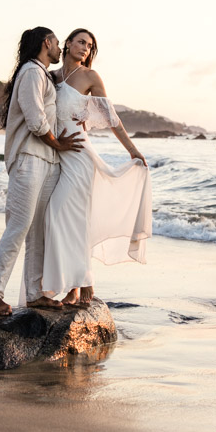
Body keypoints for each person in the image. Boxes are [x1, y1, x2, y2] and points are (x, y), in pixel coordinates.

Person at [40, 28, 152, 307]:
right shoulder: (51, 76)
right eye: (80, 42)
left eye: (89, 46)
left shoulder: (90, 77)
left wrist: (132, 150)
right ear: (66, 44)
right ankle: (83, 285)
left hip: (78, 154)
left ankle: (78, 286)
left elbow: (111, 117)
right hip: (56, 153)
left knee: (58, 214)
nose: (85, 48)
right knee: (69, 221)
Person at [0, 27, 84, 317]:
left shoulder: (42, 74)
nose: (58, 47)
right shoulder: (31, 72)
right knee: (19, 226)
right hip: (29, 158)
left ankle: (35, 292)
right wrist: (59, 143)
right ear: (46, 43)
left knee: (38, 230)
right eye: (55, 42)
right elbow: (36, 119)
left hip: (47, 160)